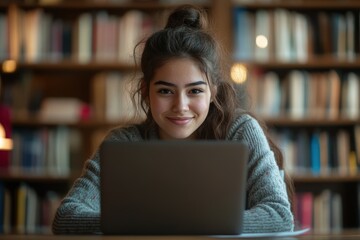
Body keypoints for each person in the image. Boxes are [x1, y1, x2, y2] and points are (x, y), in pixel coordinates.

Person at [52, 4, 294, 234]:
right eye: (165, 91)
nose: (181, 106)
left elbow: (279, 215)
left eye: (195, 91)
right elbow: (67, 216)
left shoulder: (241, 132)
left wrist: (168, 222)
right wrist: (172, 222)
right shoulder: (123, 143)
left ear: (214, 92)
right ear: (146, 92)